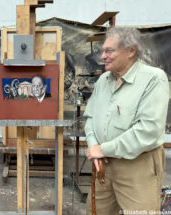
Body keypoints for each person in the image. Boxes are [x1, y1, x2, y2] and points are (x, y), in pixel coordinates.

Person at [84, 27, 169, 215]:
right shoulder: (104, 80)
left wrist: (103, 149)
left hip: (138, 166)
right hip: (103, 164)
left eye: (109, 51)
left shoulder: (153, 79)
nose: (103, 56)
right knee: (95, 211)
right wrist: (94, 148)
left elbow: (148, 130)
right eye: (103, 51)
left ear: (131, 51)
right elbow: (90, 117)